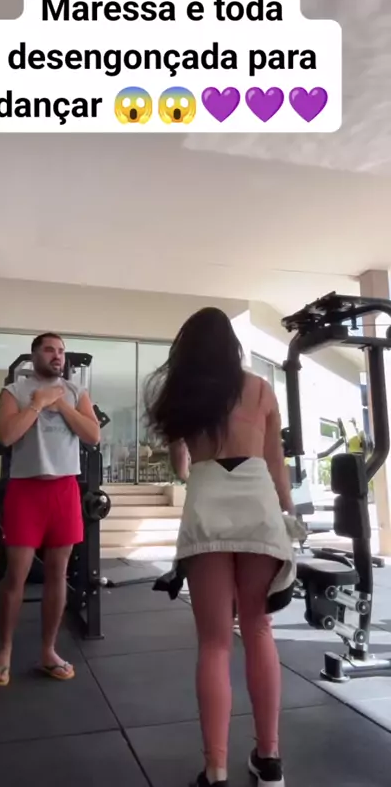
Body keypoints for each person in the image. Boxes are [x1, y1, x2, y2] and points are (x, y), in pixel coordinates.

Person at [145, 308, 296, 787]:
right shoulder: (260, 389)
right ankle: (269, 760)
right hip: (258, 505)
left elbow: (180, 465)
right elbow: (275, 463)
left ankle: (215, 771)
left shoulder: (184, 394)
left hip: (207, 503)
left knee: (214, 642)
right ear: (231, 345)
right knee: (259, 629)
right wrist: (290, 516)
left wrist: (195, 462)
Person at [0, 332, 100, 687]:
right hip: (26, 490)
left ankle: (48, 651)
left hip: (64, 490)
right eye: (50, 349)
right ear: (34, 355)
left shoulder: (76, 392)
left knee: (57, 574)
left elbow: (93, 435)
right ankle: (4, 650)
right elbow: (7, 436)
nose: (57, 355)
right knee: (15, 576)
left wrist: (61, 405)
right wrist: (37, 404)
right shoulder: (14, 391)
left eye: (61, 351)